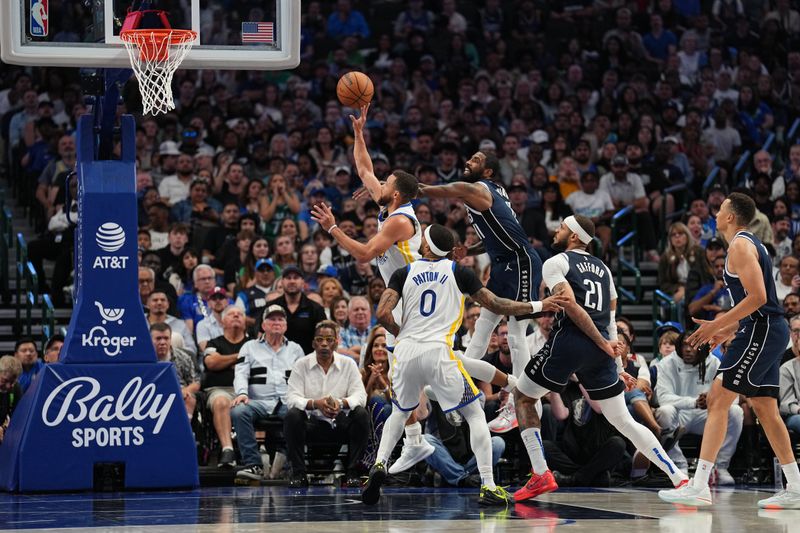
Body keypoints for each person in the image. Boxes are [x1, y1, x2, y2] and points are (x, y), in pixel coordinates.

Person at [314, 107, 522, 475]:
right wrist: (359, 133)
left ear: (395, 193)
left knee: (419, 368)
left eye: (387, 181)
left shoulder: (398, 220)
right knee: (412, 374)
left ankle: (509, 386)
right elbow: (364, 169)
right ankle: (413, 442)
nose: (380, 182)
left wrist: (332, 229)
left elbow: (363, 253)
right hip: (407, 296)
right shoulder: (391, 202)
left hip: (416, 295)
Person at [361, 224, 566, 507]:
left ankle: (380, 464)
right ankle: (488, 485)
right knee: (474, 412)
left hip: (406, 351)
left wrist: (401, 332)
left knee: (399, 412)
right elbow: (497, 303)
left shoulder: (403, 273)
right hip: (438, 351)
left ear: (425, 246)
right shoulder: (459, 272)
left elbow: (382, 312)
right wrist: (537, 305)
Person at [513, 215, 688, 502]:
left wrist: (600, 343)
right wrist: (616, 363)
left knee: (522, 395)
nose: (556, 231)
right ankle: (678, 477)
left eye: (561, 228)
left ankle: (540, 473)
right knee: (623, 421)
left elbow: (568, 303)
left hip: (571, 341)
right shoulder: (604, 269)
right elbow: (611, 318)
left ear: (573, 236)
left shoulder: (557, 262)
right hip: (601, 350)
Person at [659, 192, 800, 508]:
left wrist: (715, 324)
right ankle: (796, 485)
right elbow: (752, 306)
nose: (716, 213)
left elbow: (760, 298)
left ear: (731, 216)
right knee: (765, 408)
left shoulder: (739, 245)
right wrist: (722, 329)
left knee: (719, 398)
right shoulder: (747, 244)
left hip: (762, 329)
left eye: (721, 209)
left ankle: (699, 484)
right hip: (763, 329)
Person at [416, 148, 545, 434]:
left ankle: (519, 401)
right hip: (502, 263)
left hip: (521, 261)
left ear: (487, 172)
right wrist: (471, 249)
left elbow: (453, 189)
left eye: (475, 160)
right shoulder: (490, 192)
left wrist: (418, 188)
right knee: (483, 327)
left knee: (515, 334)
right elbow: (498, 233)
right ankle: (457, 384)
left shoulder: (480, 189)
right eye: (470, 157)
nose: (467, 161)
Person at [285, 320, 369, 488]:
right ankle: (299, 473)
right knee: (292, 415)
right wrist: (315, 403)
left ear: (337, 342)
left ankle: (352, 472)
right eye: (319, 339)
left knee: (361, 413)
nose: (324, 343)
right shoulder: (301, 365)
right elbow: (291, 399)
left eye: (329, 339)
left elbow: (361, 396)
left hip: (339, 422)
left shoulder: (348, 364)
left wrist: (341, 403)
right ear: (313, 343)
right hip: (312, 423)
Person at [655, 333, 743, 485]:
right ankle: (678, 466)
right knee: (664, 411)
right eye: (684, 345)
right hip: (680, 415)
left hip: (707, 416)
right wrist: (694, 402)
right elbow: (663, 398)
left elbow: (733, 397)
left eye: (693, 345)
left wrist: (712, 400)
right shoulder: (666, 363)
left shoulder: (715, 362)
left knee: (736, 411)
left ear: (702, 347)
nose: (688, 349)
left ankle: (720, 466)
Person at [231, 305, 305, 481]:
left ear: (286, 325)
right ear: (263, 325)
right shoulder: (249, 347)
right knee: (239, 411)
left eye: (280, 319)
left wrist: (301, 398)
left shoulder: (295, 349)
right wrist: (241, 393)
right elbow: (241, 373)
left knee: (299, 413)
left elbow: (303, 378)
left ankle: (288, 461)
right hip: (258, 401)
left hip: (287, 400)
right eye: (272, 319)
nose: (276, 322)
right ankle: (253, 464)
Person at [202, 305, 249, 468]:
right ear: (222, 321)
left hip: (248, 391)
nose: (236, 316)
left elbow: (258, 366)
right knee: (221, 401)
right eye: (231, 314)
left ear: (245, 321)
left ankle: (259, 450)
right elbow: (211, 362)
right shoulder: (214, 342)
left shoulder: (253, 344)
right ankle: (227, 450)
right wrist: (241, 357)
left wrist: (224, 361)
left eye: (240, 314)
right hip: (220, 389)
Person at [150, 323, 200, 418]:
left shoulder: (183, 357)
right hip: (152, 393)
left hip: (180, 393)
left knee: (190, 399)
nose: (162, 342)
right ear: (150, 340)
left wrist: (185, 390)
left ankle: (184, 431)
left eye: (166, 338)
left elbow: (196, 382)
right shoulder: (143, 359)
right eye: (158, 338)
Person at [0, 356, 22, 444]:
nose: (9, 386)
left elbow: (19, 418)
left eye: (12, 382)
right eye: (4, 380)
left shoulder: (16, 388)